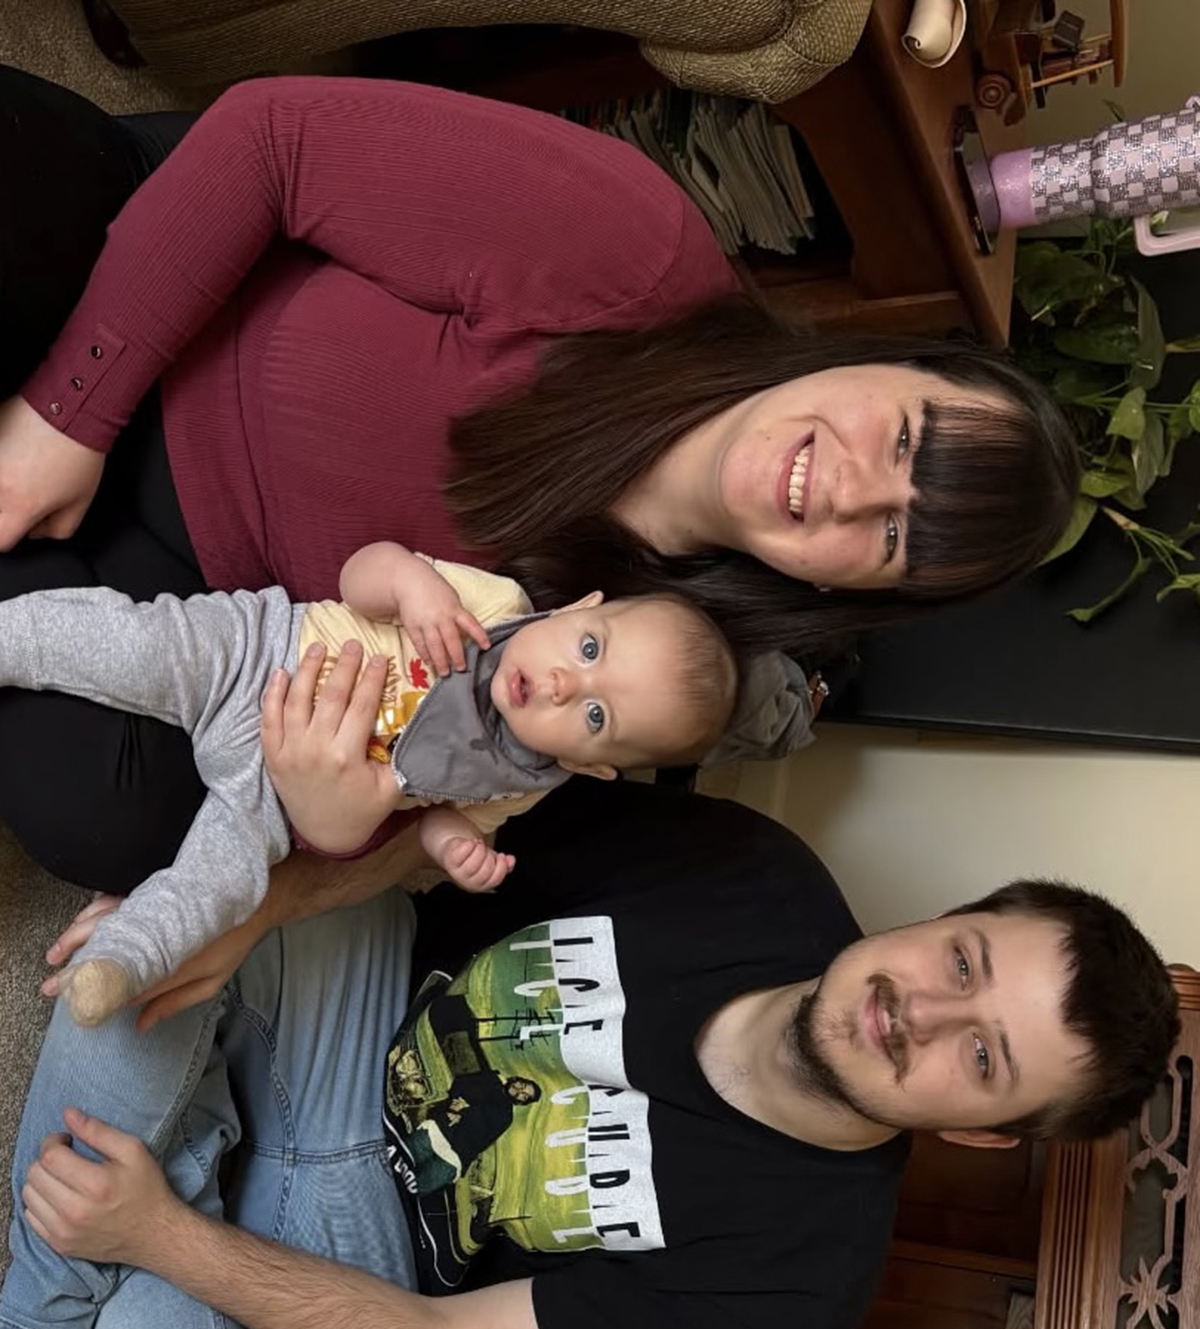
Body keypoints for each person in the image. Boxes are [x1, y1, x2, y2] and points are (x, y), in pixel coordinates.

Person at [0, 65, 1081, 899]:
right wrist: (68, 411)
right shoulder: (640, 254)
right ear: (887, 362)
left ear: (856, 590)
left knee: (112, 820)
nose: (850, 490)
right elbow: (269, 139)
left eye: (890, 537)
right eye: (903, 439)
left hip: (198, 591)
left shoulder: (656, 654)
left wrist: (331, 821)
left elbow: (446, 769)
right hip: (149, 288)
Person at [0, 775, 1179, 1329]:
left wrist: (164, 1239)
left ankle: (177, 1164)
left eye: (984, 1059)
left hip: (380, 1261)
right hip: (357, 1009)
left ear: (979, 1136)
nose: (920, 1011)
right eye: (962, 961)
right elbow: (447, 839)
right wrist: (243, 907)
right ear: (945, 917)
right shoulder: (750, 870)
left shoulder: (801, 1290)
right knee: (148, 941)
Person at [0, 539, 736, 1023]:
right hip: (259, 656)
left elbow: (434, 821)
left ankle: (123, 961)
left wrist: (454, 851)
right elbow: (360, 574)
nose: (562, 683)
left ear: (591, 766)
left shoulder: (523, 781)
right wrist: (411, 586)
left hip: (270, 797)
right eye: (588, 649)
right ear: (578, 610)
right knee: (132, 644)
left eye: (596, 715)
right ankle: (14, 640)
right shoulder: (494, 609)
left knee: (225, 881)